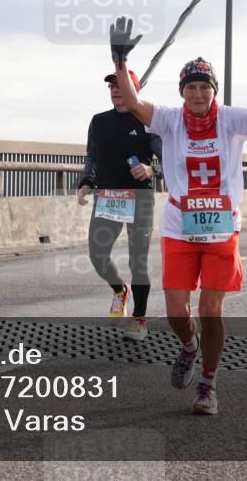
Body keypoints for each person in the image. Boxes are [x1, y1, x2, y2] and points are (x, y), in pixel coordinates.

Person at [110, 15, 247, 416]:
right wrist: (120, 63)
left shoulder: (229, 119)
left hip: (223, 226)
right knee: (177, 313)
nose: (197, 93)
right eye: (190, 87)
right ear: (182, 92)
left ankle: (208, 382)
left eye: (204, 86)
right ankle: (188, 348)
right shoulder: (171, 119)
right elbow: (136, 105)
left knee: (211, 310)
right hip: (179, 225)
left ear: (214, 90)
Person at [77, 68, 162, 340]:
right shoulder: (99, 121)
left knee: (139, 260)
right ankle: (119, 290)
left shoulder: (148, 121)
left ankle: (139, 319)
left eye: (119, 85)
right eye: (111, 86)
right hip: (109, 197)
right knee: (97, 255)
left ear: (132, 89)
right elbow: (93, 157)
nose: (114, 89)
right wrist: (86, 181)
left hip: (140, 197)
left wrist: (152, 170)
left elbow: (166, 158)